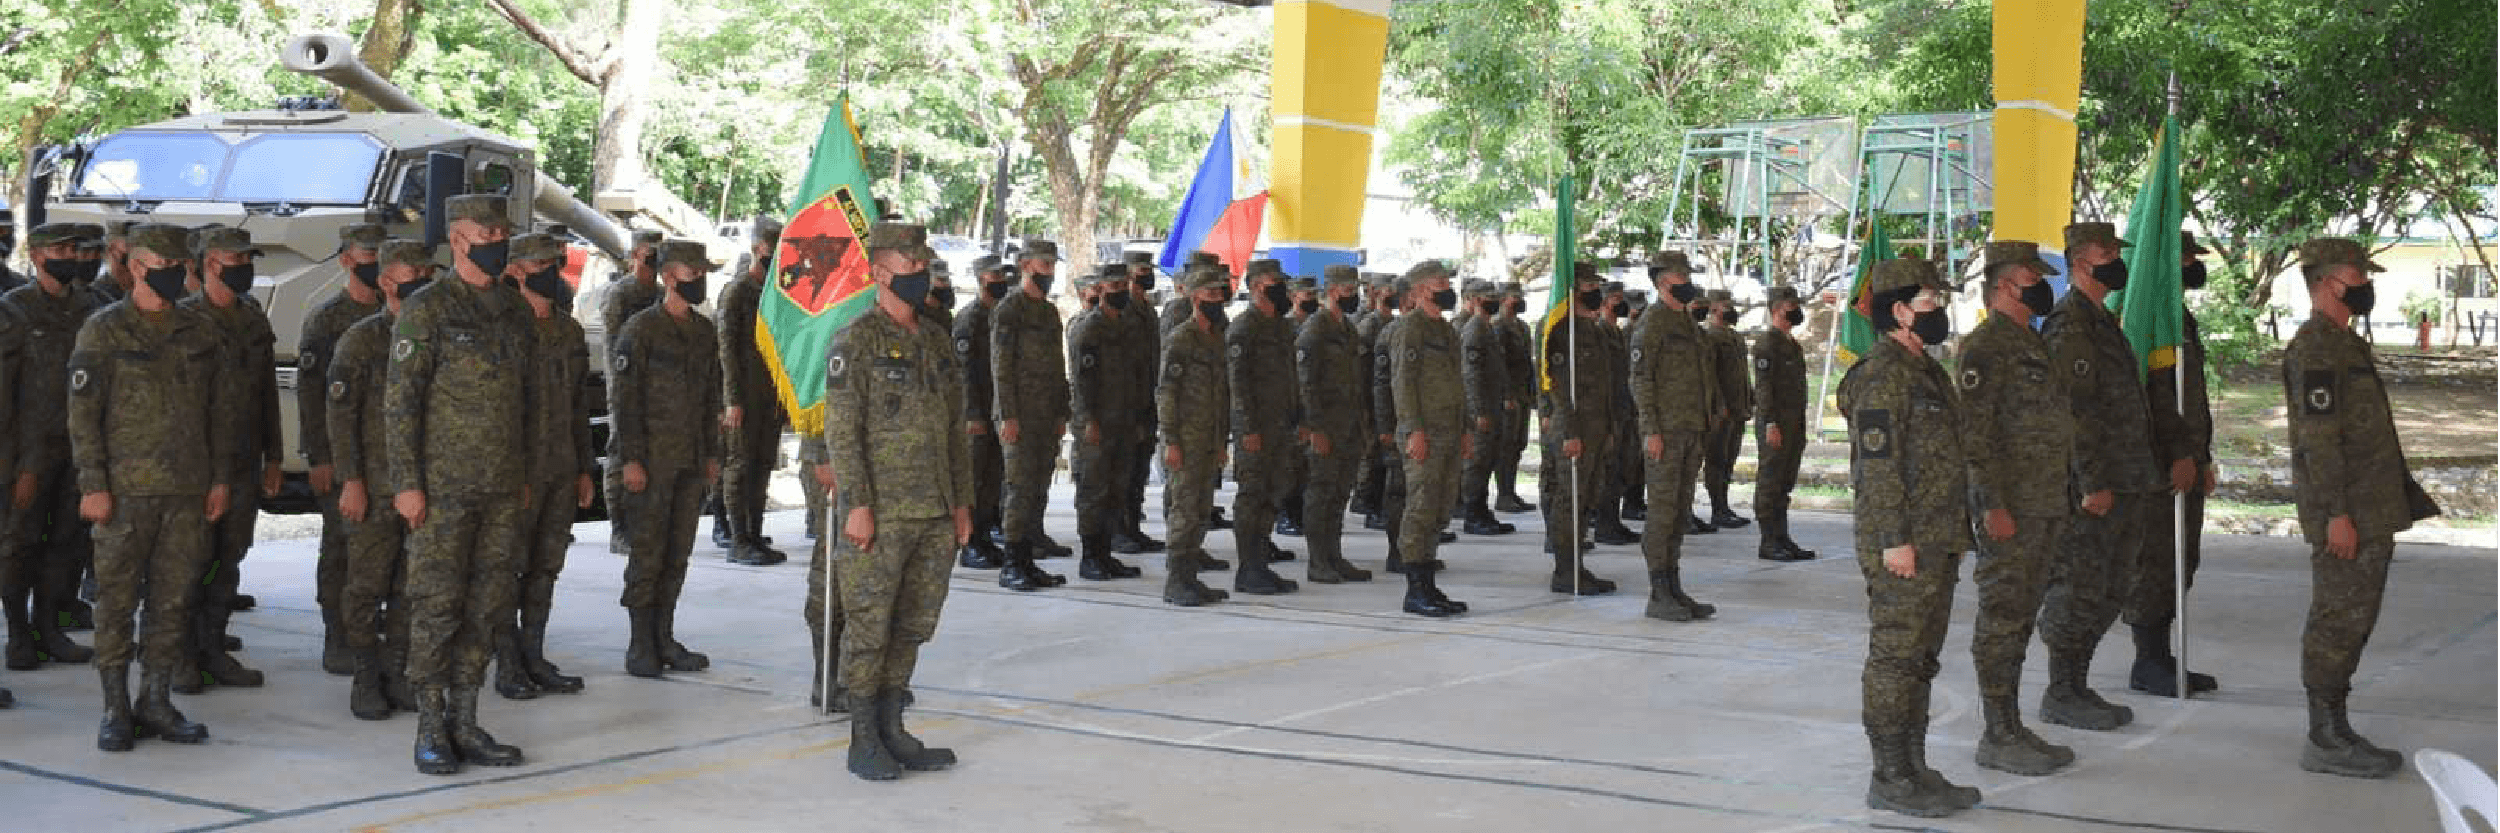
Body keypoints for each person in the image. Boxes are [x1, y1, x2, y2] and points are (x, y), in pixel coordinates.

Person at [386, 195, 536, 774]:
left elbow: (525, 403)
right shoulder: (427, 309)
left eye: (502, 230)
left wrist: (522, 473)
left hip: (500, 485)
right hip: (442, 488)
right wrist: (407, 482)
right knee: (436, 605)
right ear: (458, 240)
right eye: (486, 231)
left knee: (488, 604)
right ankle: (429, 724)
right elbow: (401, 404)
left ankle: (466, 719)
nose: (498, 239)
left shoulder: (514, 310)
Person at [68, 222, 231, 751]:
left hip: (186, 490)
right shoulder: (103, 330)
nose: (175, 278)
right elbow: (83, 416)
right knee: (115, 603)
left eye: (181, 269)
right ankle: (116, 708)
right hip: (123, 492)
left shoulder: (200, 331)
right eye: (163, 269)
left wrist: (219, 479)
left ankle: (156, 700)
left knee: (172, 600)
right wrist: (93, 484)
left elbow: (218, 414)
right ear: (136, 267)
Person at [820, 221, 971, 781]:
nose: (923, 276)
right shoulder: (854, 340)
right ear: (881, 273)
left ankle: (892, 726)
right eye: (912, 268)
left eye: (926, 267)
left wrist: (961, 502)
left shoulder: (934, 338)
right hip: (880, 513)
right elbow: (842, 430)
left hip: (933, 509)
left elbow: (954, 429)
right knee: (869, 627)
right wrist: (857, 503)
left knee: (912, 625)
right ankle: (863, 737)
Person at [1837, 258, 1980, 818]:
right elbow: (1878, 468)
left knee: (1921, 656)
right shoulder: (1881, 374)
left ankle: (1914, 766)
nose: (1940, 312)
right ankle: (1890, 773)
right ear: (1898, 311)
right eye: (1929, 303)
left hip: (1937, 536)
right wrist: (1894, 539)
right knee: (1897, 655)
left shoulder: (1926, 370)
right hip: (1903, 541)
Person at [2284, 237, 2428, 780]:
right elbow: (2317, 441)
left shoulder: (2345, 344)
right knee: (2337, 620)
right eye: (2356, 277)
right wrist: (2335, 514)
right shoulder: (2316, 349)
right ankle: (2323, 736)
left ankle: (2336, 723)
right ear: (2325, 283)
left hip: (2372, 508)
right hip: (2347, 514)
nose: (2365, 286)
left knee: (2355, 619)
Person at [805, 223, 937, 712]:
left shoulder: (915, 322)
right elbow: (815, 386)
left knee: (883, 593)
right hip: (846, 465)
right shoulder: (838, 303)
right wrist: (819, 452)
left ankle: (873, 685)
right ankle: (829, 676)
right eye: (910, 259)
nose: (919, 269)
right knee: (836, 578)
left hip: (896, 478)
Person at [1956, 241, 2078, 775]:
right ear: (2006, 285)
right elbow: (1975, 437)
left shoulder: (2029, 344)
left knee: (2022, 615)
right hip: (2011, 509)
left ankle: (2011, 723)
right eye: (2033, 276)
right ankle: (1998, 732)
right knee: (2003, 615)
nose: (2042, 285)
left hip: (2044, 503)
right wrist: (1991, 504)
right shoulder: (1986, 348)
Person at [2036, 221, 2157, 733]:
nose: (2116, 260)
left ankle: (2078, 683)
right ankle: (2061, 689)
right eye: (2107, 253)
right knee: (2081, 585)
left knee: (2112, 586)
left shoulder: (2101, 320)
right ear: (2081, 261)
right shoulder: (2070, 324)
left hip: (2126, 477)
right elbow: (2074, 410)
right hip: (2096, 485)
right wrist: (2090, 481)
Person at [485, 232, 594, 701]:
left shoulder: (568, 331)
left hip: (561, 468)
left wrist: (584, 468)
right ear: (517, 271)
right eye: (542, 264)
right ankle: (507, 663)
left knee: (546, 566)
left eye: (556, 263)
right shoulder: (504, 328)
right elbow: (494, 412)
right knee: (506, 568)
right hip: (518, 473)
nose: (553, 272)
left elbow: (577, 407)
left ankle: (534, 654)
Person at [329, 239, 434, 719]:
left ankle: (398, 672)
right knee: (367, 585)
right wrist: (351, 480)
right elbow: (340, 417)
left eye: (428, 272)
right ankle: (366, 675)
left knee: (411, 585)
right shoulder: (361, 340)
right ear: (387, 281)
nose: (424, 282)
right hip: (373, 482)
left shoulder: (437, 336)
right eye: (414, 273)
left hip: (422, 483)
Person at [612, 240, 725, 679]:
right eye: (691, 273)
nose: (698, 280)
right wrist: (631, 460)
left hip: (690, 460)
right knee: (648, 552)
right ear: (668, 276)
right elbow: (625, 402)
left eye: (701, 274)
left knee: (678, 552)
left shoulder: (702, 331)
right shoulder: (640, 330)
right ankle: (640, 642)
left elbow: (710, 395)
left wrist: (712, 454)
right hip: (652, 460)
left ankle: (664, 635)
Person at [177, 226, 283, 692]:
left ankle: (213, 648)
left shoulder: (252, 318)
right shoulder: (181, 321)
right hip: (193, 466)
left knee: (229, 559)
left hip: (243, 461)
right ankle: (180, 657)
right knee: (187, 563)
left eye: (248, 259)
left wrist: (274, 455)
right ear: (210, 264)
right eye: (235, 260)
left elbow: (266, 393)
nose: (245, 268)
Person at [2125, 230, 2222, 697]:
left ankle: (2162, 657)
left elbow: (2192, 402)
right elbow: (2154, 398)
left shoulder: (2180, 316)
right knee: (2157, 561)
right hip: (2159, 466)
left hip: (2187, 459)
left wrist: (2201, 455)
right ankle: (2148, 661)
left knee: (2182, 561)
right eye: (2185, 259)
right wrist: (2177, 456)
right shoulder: (2151, 319)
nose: (2193, 266)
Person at [3, 223, 101, 672]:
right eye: (58, 250)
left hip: (77, 449)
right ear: (37, 255)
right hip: (30, 454)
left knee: (65, 543)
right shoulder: (14, 310)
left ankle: (49, 627)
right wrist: (15, 464)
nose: (68, 257)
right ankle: (19, 634)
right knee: (19, 545)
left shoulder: (89, 308)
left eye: (72, 250)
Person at [301, 223, 389, 676]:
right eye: (366, 254)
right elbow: (312, 394)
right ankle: (337, 633)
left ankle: (376, 632)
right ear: (346, 260)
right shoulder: (327, 319)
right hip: (340, 456)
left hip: (387, 460)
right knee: (340, 546)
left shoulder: (398, 317)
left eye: (380, 253)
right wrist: (318, 456)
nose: (374, 261)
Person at [1630, 252, 1716, 619]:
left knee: (1680, 509)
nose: (1687, 282)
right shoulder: (1652, 324)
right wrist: (1650, 429)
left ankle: (1674, 587)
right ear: (1664, 281)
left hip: (1691, 428)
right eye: (1681, 277)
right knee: (1663, 512)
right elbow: (1640, 380)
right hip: (1665, 431)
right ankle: (1658, 592)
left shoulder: (1687, 324)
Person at [1388, 262, 1470, 617]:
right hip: (1425, 433)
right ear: (1421, 290)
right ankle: (1415, 589)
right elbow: (1402, 384)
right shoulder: (1410, 328)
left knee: (1440, 507)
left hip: (1450, 432)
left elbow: (1457, 385)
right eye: (1440, 283)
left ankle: (1429, 582)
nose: (1447, 287)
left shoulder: (1447, 330)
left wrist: (1464, 429)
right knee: (1421, 508)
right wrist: (1413, 429)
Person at [990, 240, 1072, 591]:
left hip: (1045, 415)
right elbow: (1001, 366)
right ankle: (1012, 562)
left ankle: (1029, 557)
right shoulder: (1011, 309)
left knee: (1039, 488)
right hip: (1019, 416)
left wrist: (1061, 411)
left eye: (1052, 265)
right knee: (1020, 489)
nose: (1049, 272)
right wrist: (1008, 414)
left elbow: (1057, 366)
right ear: (1025, 265)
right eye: (1043, 265)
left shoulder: (1049, 312)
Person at [710, 216, 788, 567]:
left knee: (762, 465)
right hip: (742, 394)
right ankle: (738, 538)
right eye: (774, 250)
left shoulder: (776, 293)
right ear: (758, 249)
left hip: (769, 395)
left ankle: (755, 532)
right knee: (739, 466)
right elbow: (725, 349)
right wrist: (731, 400)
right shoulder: (738, 291)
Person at [1542, 263, 1624, 597]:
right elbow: (1558, 387)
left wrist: (1606, 427)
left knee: (1586, 498)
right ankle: (1565, 569)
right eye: (1588, 285)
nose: (1595, 291)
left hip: (1595, 427)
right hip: (1573, 429)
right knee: (1569, 500)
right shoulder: (1561, 329)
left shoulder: (1591, 329)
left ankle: (1575, 563)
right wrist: (1570, 432)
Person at [1158, 268, 1237, 607]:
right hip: (1186, 439)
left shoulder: (1216, 338)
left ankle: (1191, 576)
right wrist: (1171, 440)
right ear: (1194, 298)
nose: (1217, 301)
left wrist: (1221, 441)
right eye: (1210, 295)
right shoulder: (1181, 339)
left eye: (1220, 295)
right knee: (1185, 509)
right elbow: (1166, 394)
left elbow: (1221, 395)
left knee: (1202, 507)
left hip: (1208, 439)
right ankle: (1177, 581)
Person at [1225, 260, 1304, 595]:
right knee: (1252, 495)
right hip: (1256, 427)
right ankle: (1248, 567)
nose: (1282, 288)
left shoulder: (1282, 327)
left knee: (1273, 493)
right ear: (1257, 285)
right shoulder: (1245, 328)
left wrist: (1299, 417)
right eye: (1275, 281)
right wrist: (1246, 429)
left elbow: (1291, 378)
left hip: (1281, 425)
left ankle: (1261, 560)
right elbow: (1237, 384)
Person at [1065, 263, 1148, 581]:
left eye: (1123, 286)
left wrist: (1139, 417)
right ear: (1100, 291)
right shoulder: (1089, 328)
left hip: (1124, 421)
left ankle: (1106, 553)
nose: (1121, 293)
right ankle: (1090, 556)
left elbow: (1137, 376)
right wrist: (1088, 420)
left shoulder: (1128, 326)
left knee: (1117, 489)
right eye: (1114, 288)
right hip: (1097, 424)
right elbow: (1082, 380)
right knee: (1094, 490)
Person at [1295, 265, 1376, 584]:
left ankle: (1334, 555)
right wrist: (1315, 429)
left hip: (1349, 426)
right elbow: (1305, 384)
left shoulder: (1347, 329)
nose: (1353, 296)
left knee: (1340, 492)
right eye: (1346, 291)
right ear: (1330, 292)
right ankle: (1318, 561)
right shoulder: (1315, 330)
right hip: (1326, 426)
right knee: (1321, 492)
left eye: (1354, 290)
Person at [602, 229, 668, 555]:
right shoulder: (621, 294)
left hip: (655, 388)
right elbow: (616, 345)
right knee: (620, 456)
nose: (653, 261)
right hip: (625, 384)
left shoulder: (659, 293)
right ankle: (619, 529)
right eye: (647, 254)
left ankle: (642, 526)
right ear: (634, 256)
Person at [952, 255, 1011, 570]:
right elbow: (963, 373)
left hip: (996, 411)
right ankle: (970, 544)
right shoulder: (970, 319)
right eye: (994, 276)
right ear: (981, 280)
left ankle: (985, 538)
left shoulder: (999, 315)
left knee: (992, 479)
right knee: (974, 481)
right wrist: (972, 414)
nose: (1000, 280)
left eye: (1003, 274)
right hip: (976, 414)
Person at [1750, 285, 1815, 562]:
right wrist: (1770, 423)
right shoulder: (1768, 344)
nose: (1796, 310)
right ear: (1777, 309)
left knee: (1784, 483)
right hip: (1775, 423)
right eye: (1791, 306)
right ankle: (1768, 541)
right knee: (1770, 481)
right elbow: (1764, 388)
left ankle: (1782, 537)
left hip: (1793, 423)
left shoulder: (1792, 344)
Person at [1115, 252, 1168, 556]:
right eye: (1141, 270)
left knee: (1138, 472)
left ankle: (1133, 526)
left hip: (1148, 397)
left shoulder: (1147, 310)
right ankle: (1118, 530)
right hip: (1128, 401)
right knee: (1123, 472)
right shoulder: (1125, 310)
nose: (1146, 275)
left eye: (1149, 269)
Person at [1457, 280, 1515, 537]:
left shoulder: (1486, 328)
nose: (1495, 300)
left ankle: (1482, 511)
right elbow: (1471, 375)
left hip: (1493, 405)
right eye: (1488, 297)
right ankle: (1473, 513)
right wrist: (1478, 411)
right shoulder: (1474, 330)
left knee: (1488, 459)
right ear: (1475, 299)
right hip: (1481, 410)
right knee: (1477, 463)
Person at [1699, 289, 1753, 530]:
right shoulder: (1710, 337)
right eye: (1726, 305)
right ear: (1713, 309)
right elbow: (1710, 376)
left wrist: (1748, 399)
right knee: (1716, 459)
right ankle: (1717, 507)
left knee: (1730, 458)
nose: (1731, 309)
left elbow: (1742, 373)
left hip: (1738, 407)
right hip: (1721, 411)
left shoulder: (1735, 337)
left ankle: (1725, 505)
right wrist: (1719, 406)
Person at [1352, 276, 1398, 527]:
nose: (1393, 294)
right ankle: (1368, 504)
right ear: (1376, 293)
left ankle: (1378, 504)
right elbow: (1361, 370)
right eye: (1389, 290)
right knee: (1373, 452)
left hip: (1386, 397)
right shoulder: (1369, 325)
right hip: (1369, 398)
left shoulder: (1393, 322)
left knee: (1384, 454)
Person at [1494, 282, 1537, 513]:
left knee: (1519, 443)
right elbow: (1498, 366)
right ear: (1502, 299)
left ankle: (1511, 491)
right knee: (1506, 445)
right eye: (1514, 296)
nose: (1519, 300)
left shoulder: (1521, 326)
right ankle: (1504, 494)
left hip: (1522, 393)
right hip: (1509, 394)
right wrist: (1506, 394)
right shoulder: (1499, 327)